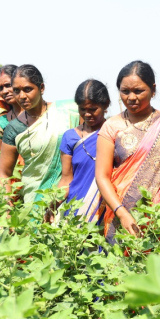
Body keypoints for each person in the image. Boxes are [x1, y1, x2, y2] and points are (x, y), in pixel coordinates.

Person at [95, 61, 160, 242]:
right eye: (125, 91)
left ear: (153, 90)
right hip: (121, 212)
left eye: (138, 91)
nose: (131, 97)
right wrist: (122, 213)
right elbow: (102, 176)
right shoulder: (111, 126)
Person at [0, 65, 79, 204]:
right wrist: (7, 205)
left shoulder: (69, 111)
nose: (22, 96)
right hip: (35, 202)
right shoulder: (14, 129)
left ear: (41, 88)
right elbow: (3, 172)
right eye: (16, 91)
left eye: (27, 89)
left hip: (71, 196)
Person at [55, 79, 110, 222]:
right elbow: (66, 179)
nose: (87, 114)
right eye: (82, 109)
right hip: (76, 208)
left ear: (106, 105)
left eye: (92, 109)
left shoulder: (114, 133)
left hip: (106, 207)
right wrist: (52, 204)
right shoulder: (70, 137)